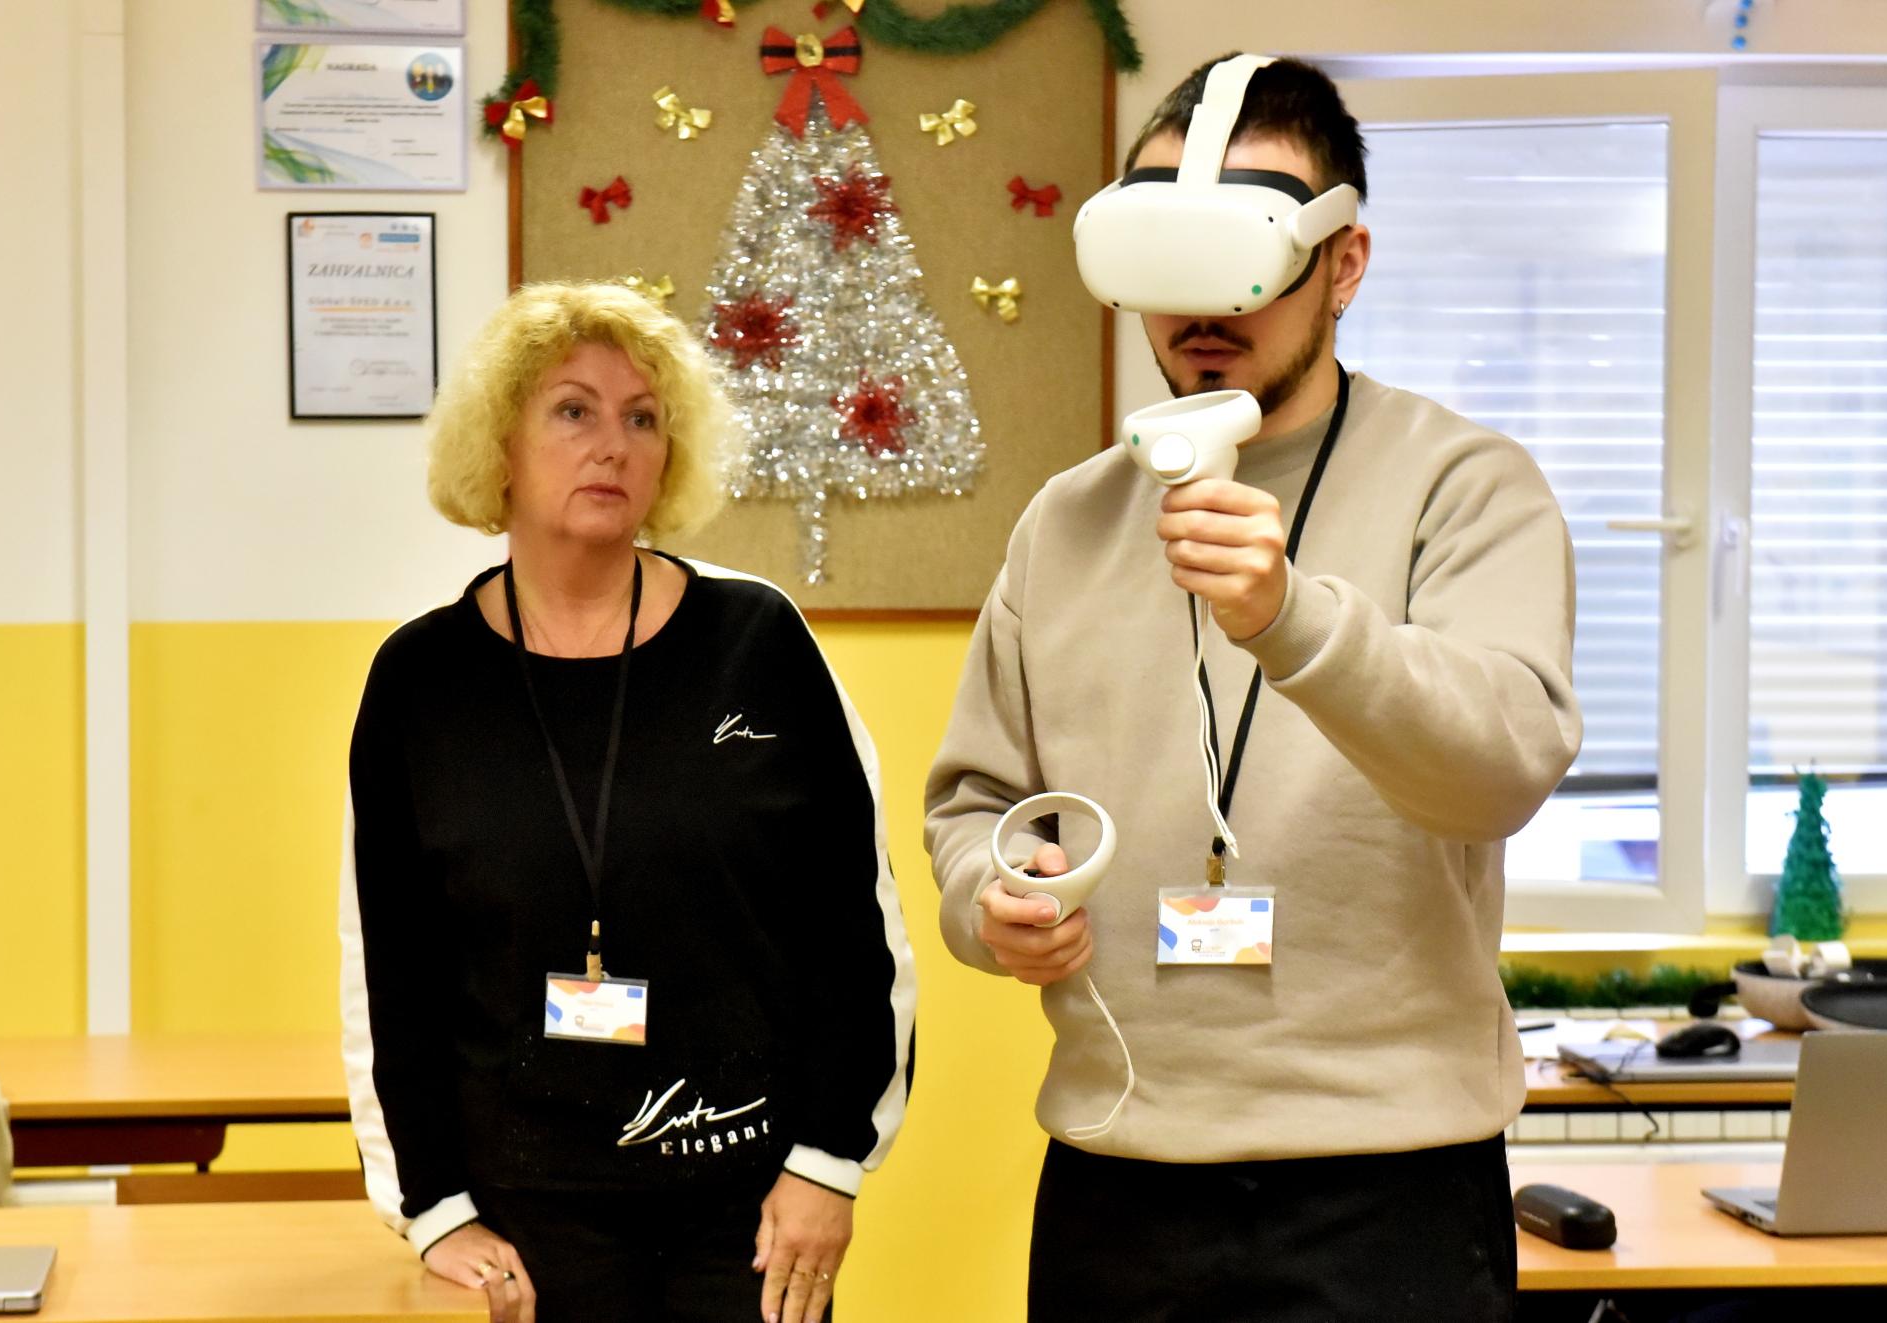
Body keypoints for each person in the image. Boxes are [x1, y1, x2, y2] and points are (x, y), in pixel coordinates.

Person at [925, 56, 1581, 1322]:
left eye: (1246, 249)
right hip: (1122, 1177)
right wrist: (988, 901)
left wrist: (1292, 618)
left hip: (1390, 1183)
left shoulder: (1464, 485)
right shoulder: (1068, 522)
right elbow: (976, 806)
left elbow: (1501, 771)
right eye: (1167, 250)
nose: (1203, 307)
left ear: (1343, 263)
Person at [340, 281, 914, 1323]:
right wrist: (434, 1210)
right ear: (498, 446)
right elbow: (391, 967)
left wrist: (831, 1160)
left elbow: (853, 924)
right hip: (523, 1217)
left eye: (642, 419)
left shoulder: (759, 642)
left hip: (751, 1206)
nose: (612, 445)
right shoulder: (420, 682)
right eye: (573, 410)